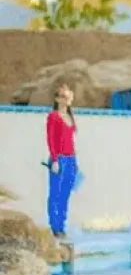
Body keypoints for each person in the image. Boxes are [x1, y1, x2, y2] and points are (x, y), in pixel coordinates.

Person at [45, 84, 79, 238]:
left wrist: (75, 161)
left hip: (71, 159)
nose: (66, 99)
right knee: (55, 194)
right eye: (63, 96)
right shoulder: (53, 116)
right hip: (59, 159)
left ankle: (62, 225)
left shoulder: (70, 116)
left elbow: (71, 141)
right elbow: (51, 139)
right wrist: (54, 159)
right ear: (57, 99)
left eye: (68, 96)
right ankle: (55, 227)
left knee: (65, 194)